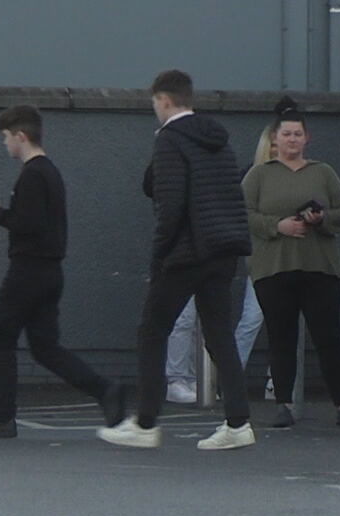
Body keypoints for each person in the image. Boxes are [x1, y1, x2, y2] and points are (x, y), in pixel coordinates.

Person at [99, 69, 256, 450]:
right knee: (219, 336)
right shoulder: (216, 138)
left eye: (155, 102)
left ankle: (147, 423)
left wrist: (159, 257)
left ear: (164, 100)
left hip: (186, 253)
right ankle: (238, 423)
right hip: (223, 250)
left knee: (152, 330)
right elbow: (158, 183)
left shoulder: (171, 139)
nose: (154, 109)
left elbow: (169, 204)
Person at [0, 106, 126, 437]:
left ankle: (2, 418)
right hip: (49, 273)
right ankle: (105, 390)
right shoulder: (51, 173)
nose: (5, 145)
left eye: (5, 138)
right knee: (45, 347)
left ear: (20, 136)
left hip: (27, 270)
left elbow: (28, 224)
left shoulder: (32, 174)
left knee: (0, 336)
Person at [242, 98, 340, 429]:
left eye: (298, 134)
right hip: (274, 267)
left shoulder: (323, 172)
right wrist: (276, 226)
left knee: (328, 337)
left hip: (318, 267)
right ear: (275, 139)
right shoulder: (258, 175)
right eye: (287, 134)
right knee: (281, 337)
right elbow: (244, 214)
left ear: (306, 138)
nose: (292, 140)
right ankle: (283, 403)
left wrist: (320, 219)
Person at [166, 126, 269, 405]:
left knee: (217, 323)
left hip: (213, 254)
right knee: (188, 319)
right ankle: (180, 378)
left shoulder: (226, 173)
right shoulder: (184, 170)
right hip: (191, 252)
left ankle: (216, 383)